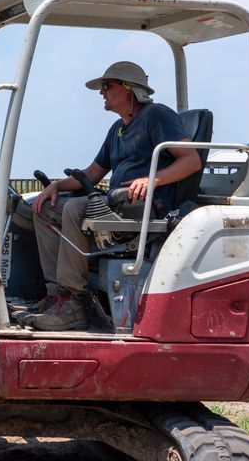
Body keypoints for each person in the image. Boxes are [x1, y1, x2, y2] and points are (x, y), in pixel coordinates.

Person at [21, 60, 199, 331]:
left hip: (144, 206)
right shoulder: (118, 129)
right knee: (44, 208)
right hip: (117, 203)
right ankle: (57, 295)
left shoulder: (157, 116)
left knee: (75, 209)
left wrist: (153, 180)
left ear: (129, 88)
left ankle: (75, 305)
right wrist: (56, 186)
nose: (101, 92)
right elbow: (92, 174)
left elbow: (191, 160)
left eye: (107, 86)